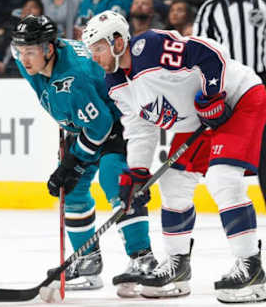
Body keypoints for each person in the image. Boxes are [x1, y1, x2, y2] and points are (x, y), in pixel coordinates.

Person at [83, 10, 266, 303]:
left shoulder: (150, 48)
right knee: (172, 183)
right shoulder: (115, 83)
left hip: (239, 99)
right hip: (200, 120)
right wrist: (138, 172)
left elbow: (209, 52)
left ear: (117, 42)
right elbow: (139, 127)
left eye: (98, 49)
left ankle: (251, 267)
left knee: (223, 179)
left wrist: (212, 96)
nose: (94, 57)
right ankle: (177, 266)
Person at [10, 15, 157, 298]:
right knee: (72, 190)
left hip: (119, 121)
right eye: (20, 50)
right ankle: (88, 263)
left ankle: (144, 259)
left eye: (31, 51)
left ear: (49, 49)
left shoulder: (74, 76)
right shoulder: (29, 61)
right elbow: (54, 95)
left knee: (116, 183)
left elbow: (101, 125)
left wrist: (73, 161)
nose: (24, 58)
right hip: (88, 123)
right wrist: (68, 125)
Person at [193, 0, 266, 225]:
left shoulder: (265, 3)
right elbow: (198, 47)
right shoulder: (210, 8)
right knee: (220, 138)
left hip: (260, 80)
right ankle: (226, 202)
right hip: (225, 81)